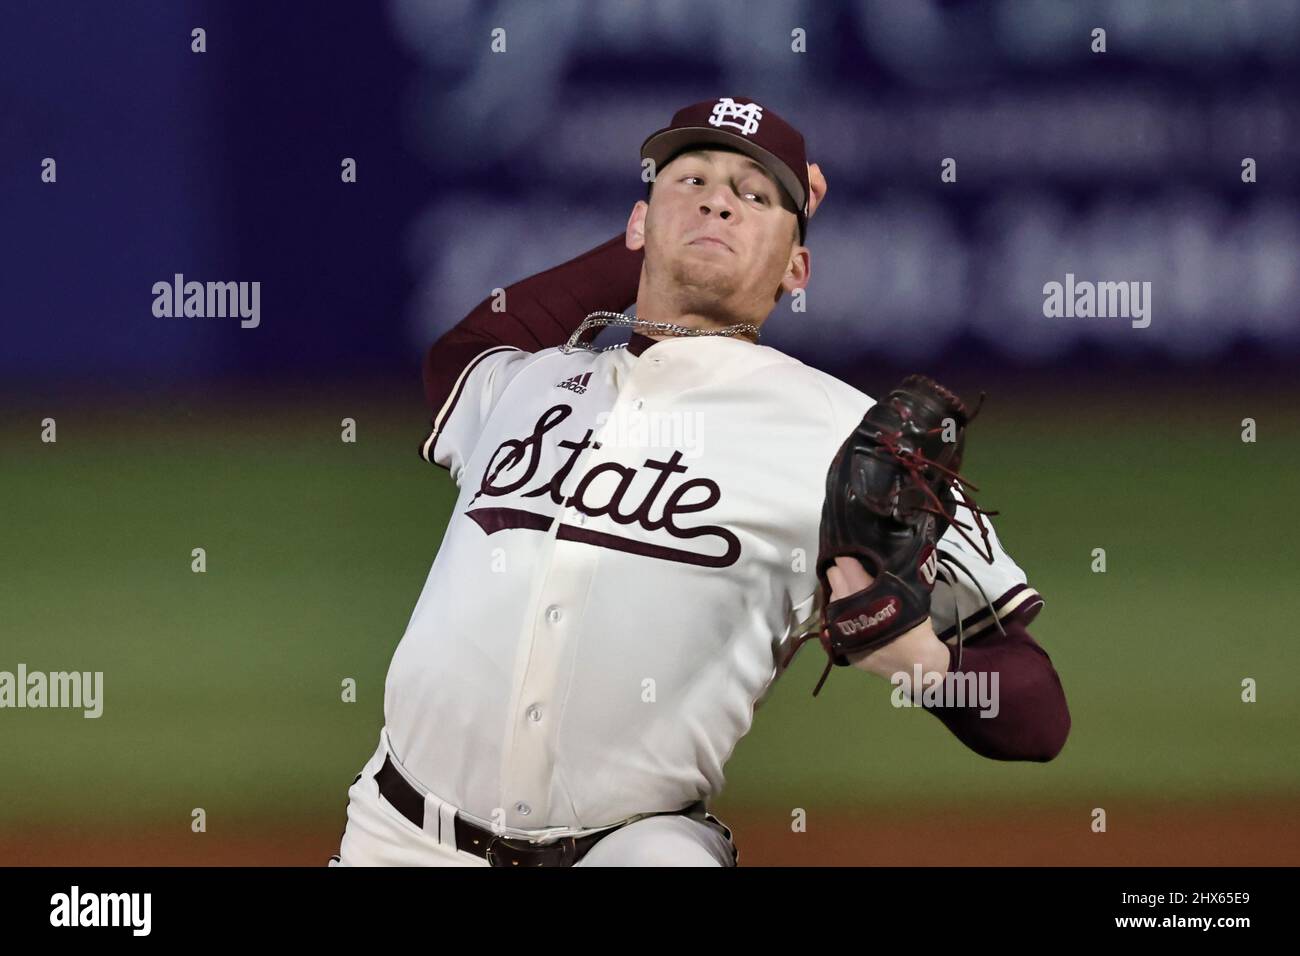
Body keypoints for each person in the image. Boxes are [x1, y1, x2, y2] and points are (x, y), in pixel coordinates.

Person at [330, 96, 1069, 868]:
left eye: (756, 195)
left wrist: (922, 661)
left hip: (633, 847)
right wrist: (682, 238)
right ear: (638, 223)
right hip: (399, 836)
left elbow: (1040, 714)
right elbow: (469, 346)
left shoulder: (844, 438)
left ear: (797, 268)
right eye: (691, 181)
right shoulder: (532, 383)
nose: (720, 198)